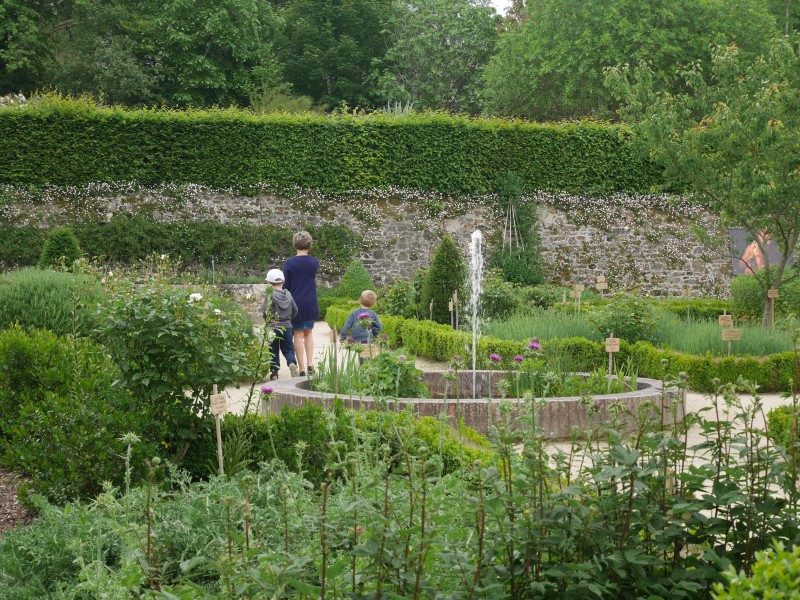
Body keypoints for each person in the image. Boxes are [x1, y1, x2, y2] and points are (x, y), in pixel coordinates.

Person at [284, 231, 320, 376]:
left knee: (297, 335)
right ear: (310, 244)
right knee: (309, 334)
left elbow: (287, 286)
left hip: (295, 303)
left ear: (294, 244)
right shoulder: (314, 262)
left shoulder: (289, 263)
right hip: (311, 301)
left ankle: (302, 369)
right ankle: (310, 363)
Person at [263, 268, 299, 381]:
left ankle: (274, 373)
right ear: (283, 281)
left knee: (273, 350)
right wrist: (288, 320)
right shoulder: (288, 294)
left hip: (273, 327)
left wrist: (269, 322)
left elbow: (266, 312)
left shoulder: (270, 295)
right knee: (288, 349)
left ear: (269, 282)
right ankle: (291, 363)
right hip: (287, 326)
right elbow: (295, 310)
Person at [339, 290, 383, 362]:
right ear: (373, 303)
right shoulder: (373, 314)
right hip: (369, 340)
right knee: (369, 359)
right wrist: (373, 334)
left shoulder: (354, 313)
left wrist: (342, 337)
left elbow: (346, 326)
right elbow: (379, 327)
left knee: (361, 359)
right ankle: (365, 371)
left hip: (357, 340)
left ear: (360, 300)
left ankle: (361, 371)